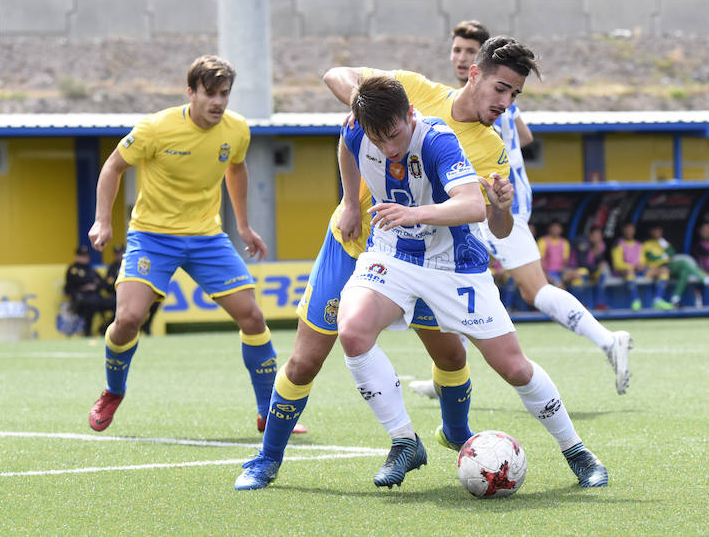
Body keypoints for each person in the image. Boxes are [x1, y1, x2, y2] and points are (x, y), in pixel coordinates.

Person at [235, 37, 609, 491]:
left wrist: (501, 208)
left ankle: (550, 447)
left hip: (446, 259)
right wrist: (351, 198)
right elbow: (342, 102)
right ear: (474, 74)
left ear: (410, 121)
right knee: (307, 359)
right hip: (367, 245)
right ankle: (276, 458)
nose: (506, 103)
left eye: (515, 95)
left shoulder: (478, 145)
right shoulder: (405, 94)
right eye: (501, 89)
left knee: (465, 358)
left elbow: (496, 224)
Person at [335, 75, 608, 488]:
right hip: (393, 253)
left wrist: (414, 214)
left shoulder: (437, 139)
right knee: (353, 332)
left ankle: (578, 452)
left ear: (410, 114)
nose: (388, 148)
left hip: (454, 263)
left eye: (394, 135)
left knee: (512, 367)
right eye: (378, 139)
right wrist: (348, 199)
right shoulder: (357, 128)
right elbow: (346, 146)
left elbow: (470, 206)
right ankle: (405, 442)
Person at [85, 55, 305, 435]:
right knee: (128, 320)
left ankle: (268, 411)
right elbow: (112, 167)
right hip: (152, 237)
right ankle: (113, 391)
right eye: (210, 94)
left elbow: (236, 168)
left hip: (206, 238)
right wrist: (103, 219)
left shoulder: (236, 130)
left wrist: (244, 226)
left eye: (224, 94)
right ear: (190, 92)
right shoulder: (156, 128)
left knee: (252, 317)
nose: (218, 102)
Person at [411, 20, 631, 399]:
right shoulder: (492, 105)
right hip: (496, 201)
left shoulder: (490, 104)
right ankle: (444, 375)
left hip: (496, 204)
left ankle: (607, 339)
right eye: (457, 51)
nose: (461, 59)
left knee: (526, 289)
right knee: (455, 284)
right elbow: (525, 137)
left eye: (469, 52)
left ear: (481, 63)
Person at [643, 225, 709, 308]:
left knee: (684, 271)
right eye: (655, 231)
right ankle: (704, 279)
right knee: (683, 263)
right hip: (656, 268)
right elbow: (652, 257)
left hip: (668, 266)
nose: (658, 233)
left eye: (659, 231)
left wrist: (664, 245)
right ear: (651, 232)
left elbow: (672, 253)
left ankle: (675, 298)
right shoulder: (647, 244)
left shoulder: (663, 242)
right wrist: (664, 256)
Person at [611, 222, 672, 310]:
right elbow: (617, 264)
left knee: (664, 270)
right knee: (630, 272)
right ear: (623, 231)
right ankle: (635, 300)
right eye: (627, 230)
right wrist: (632, 266)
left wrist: (642, 265)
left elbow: (643, 260)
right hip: (624, 271)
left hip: (639, 271)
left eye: (631, 229)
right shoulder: (618, 244)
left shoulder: (639, 244)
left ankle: (658, 300)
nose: (629, 232)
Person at [105, 243, 160, 334]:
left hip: (135, 294)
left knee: (155, 303)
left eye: (121, 252)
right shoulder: (113, 267)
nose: (120, 255)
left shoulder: (133, 264)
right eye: (117, 253)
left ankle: (146, 326)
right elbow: (108, 285)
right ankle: (114, 329)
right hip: (118, 295)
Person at [64, 244, 115, 337]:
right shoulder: (73, 269)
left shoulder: (91, 269)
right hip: (80, 299)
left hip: (96, 297)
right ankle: (87, 332)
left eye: (86, 256)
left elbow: (102, 282)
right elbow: (77, 281)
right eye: (82, 256)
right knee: (91, 302)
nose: (85, 258)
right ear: (76, 257)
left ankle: (104, 329)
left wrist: (93, 286)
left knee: (116, 302)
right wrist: (91, 283)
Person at [568, 227, 610, 310]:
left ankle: (599, 304)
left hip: (590, 270)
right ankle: (580, 304)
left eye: (599, 236)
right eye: (595, 235)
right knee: (583, 273)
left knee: (602, 273)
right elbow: (582, 264)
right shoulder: (582, 243)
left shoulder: (599, 246)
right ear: (590, 236)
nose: (598, 238)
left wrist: (598, 256)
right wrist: (597, 267)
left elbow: (600, 263)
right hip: (573, 270)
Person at [537, 220, 576, 289]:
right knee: (559, 285)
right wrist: (546, 274)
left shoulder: (564, 242)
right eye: (554, 228)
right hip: (547, 272)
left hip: (560, 272)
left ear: (561, 229)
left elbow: (565, 261)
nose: (556, 230)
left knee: (578, 276)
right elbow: (540, 261)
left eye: (558, 228)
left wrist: (565, 272)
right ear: (549, 229)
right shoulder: (543, 241)